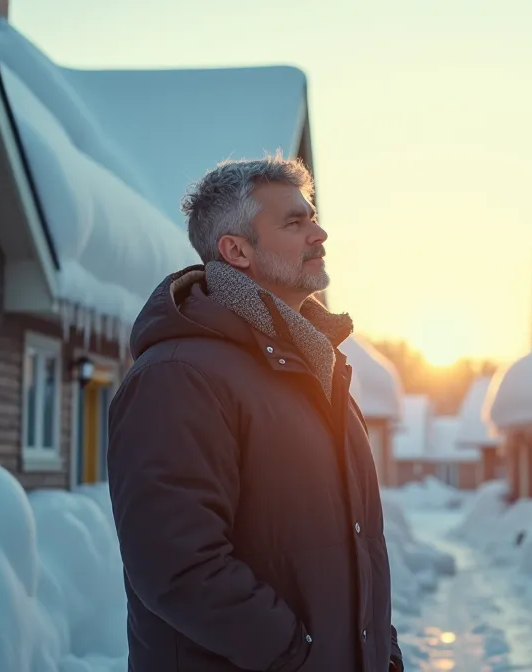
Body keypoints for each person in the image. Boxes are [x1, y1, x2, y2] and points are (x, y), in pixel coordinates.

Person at [106, 153, 403, 672]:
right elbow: (178, 565)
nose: (319, 234)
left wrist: (381, 654)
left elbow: (357, 549)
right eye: (294, 222)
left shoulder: (318, 370)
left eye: (313, 217)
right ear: (237, 250)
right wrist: (296, 654)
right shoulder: (179, 378)